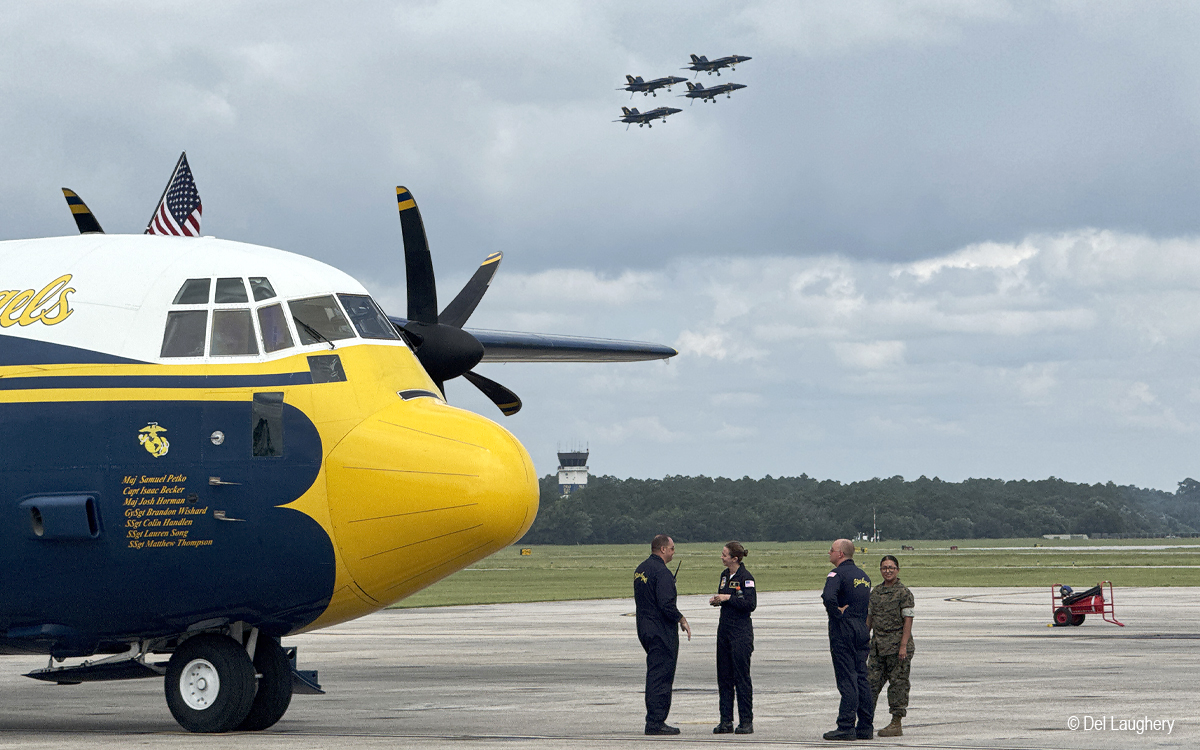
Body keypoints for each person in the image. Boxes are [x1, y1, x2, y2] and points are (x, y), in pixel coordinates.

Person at [634, 534, 692, 735]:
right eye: (672, 548)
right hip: (661, 632)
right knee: (661, 676)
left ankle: (654, 719)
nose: (674, 552)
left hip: (644, 629)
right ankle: (655, 721)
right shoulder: (662, 573)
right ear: (663, 549)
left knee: (654, 673)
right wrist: (681, 619)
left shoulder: (641, 569)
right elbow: (666, 604)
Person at [821, 539, 873, 741]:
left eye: (832, 550)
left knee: (847, 677)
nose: (829, 553)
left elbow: (828, 596)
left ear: (840, 554)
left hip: (844, 629)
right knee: (861, 677)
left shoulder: (837, 574)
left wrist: (836, 613)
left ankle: (846, 725)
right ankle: (866, 726)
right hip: (861, 628)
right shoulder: (863, 576)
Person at [709, 541, 756, 735]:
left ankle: (746, 721)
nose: (722, 557)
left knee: (741, 677)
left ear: (734, 558)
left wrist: (729, 598)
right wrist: (718, 600)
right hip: (724, 630)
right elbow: (726, 598)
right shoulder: (724, 576)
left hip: (740, 632)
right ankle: (725, 720)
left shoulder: (746, 578)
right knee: (724, 676)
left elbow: (750, 604)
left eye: (724, 554)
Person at [867, 555, 914, 737]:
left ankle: (896, 722)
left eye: (891, 568)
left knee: (898, 685)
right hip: (878, 647)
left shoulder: (903, 593)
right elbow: (870, 618)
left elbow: (908, 620)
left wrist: (903, 646)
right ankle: (865, 721)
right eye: (884, 568)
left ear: (897, 570)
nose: (887, 571)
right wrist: (864, 638)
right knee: (870, 684)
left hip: (897, 647)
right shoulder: (876, 592)